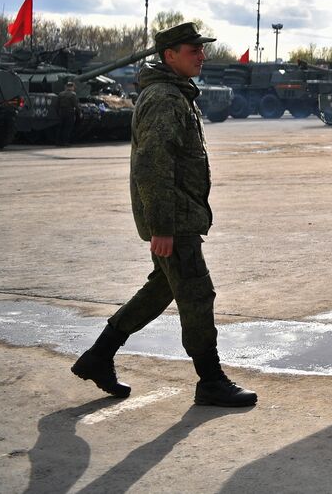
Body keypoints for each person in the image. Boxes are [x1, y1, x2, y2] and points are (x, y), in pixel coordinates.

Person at [71, 21, 257, 407]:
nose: (201, 55)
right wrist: (163, 226)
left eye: (201, 48)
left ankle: (98, 357)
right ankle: (210, 380)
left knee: (162, 289)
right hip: (175, 218)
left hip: (180, 214)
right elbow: (152, 166)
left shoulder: (176, 94)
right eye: (194, 50)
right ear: (169, 55)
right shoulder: (166, 99)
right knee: (195, 294)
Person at [55, 80, 79, 145]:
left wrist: (58, 112)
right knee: (67, 128)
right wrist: (79, 112)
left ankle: (58, 141)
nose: (74, 88)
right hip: (70, 112)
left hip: (61, 112)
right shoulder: (73, 94)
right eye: (73, 87)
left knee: (60, 127)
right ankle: (65, 142)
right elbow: (75, 105)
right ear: (71, 87)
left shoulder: (60, 94)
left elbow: (57, 105)